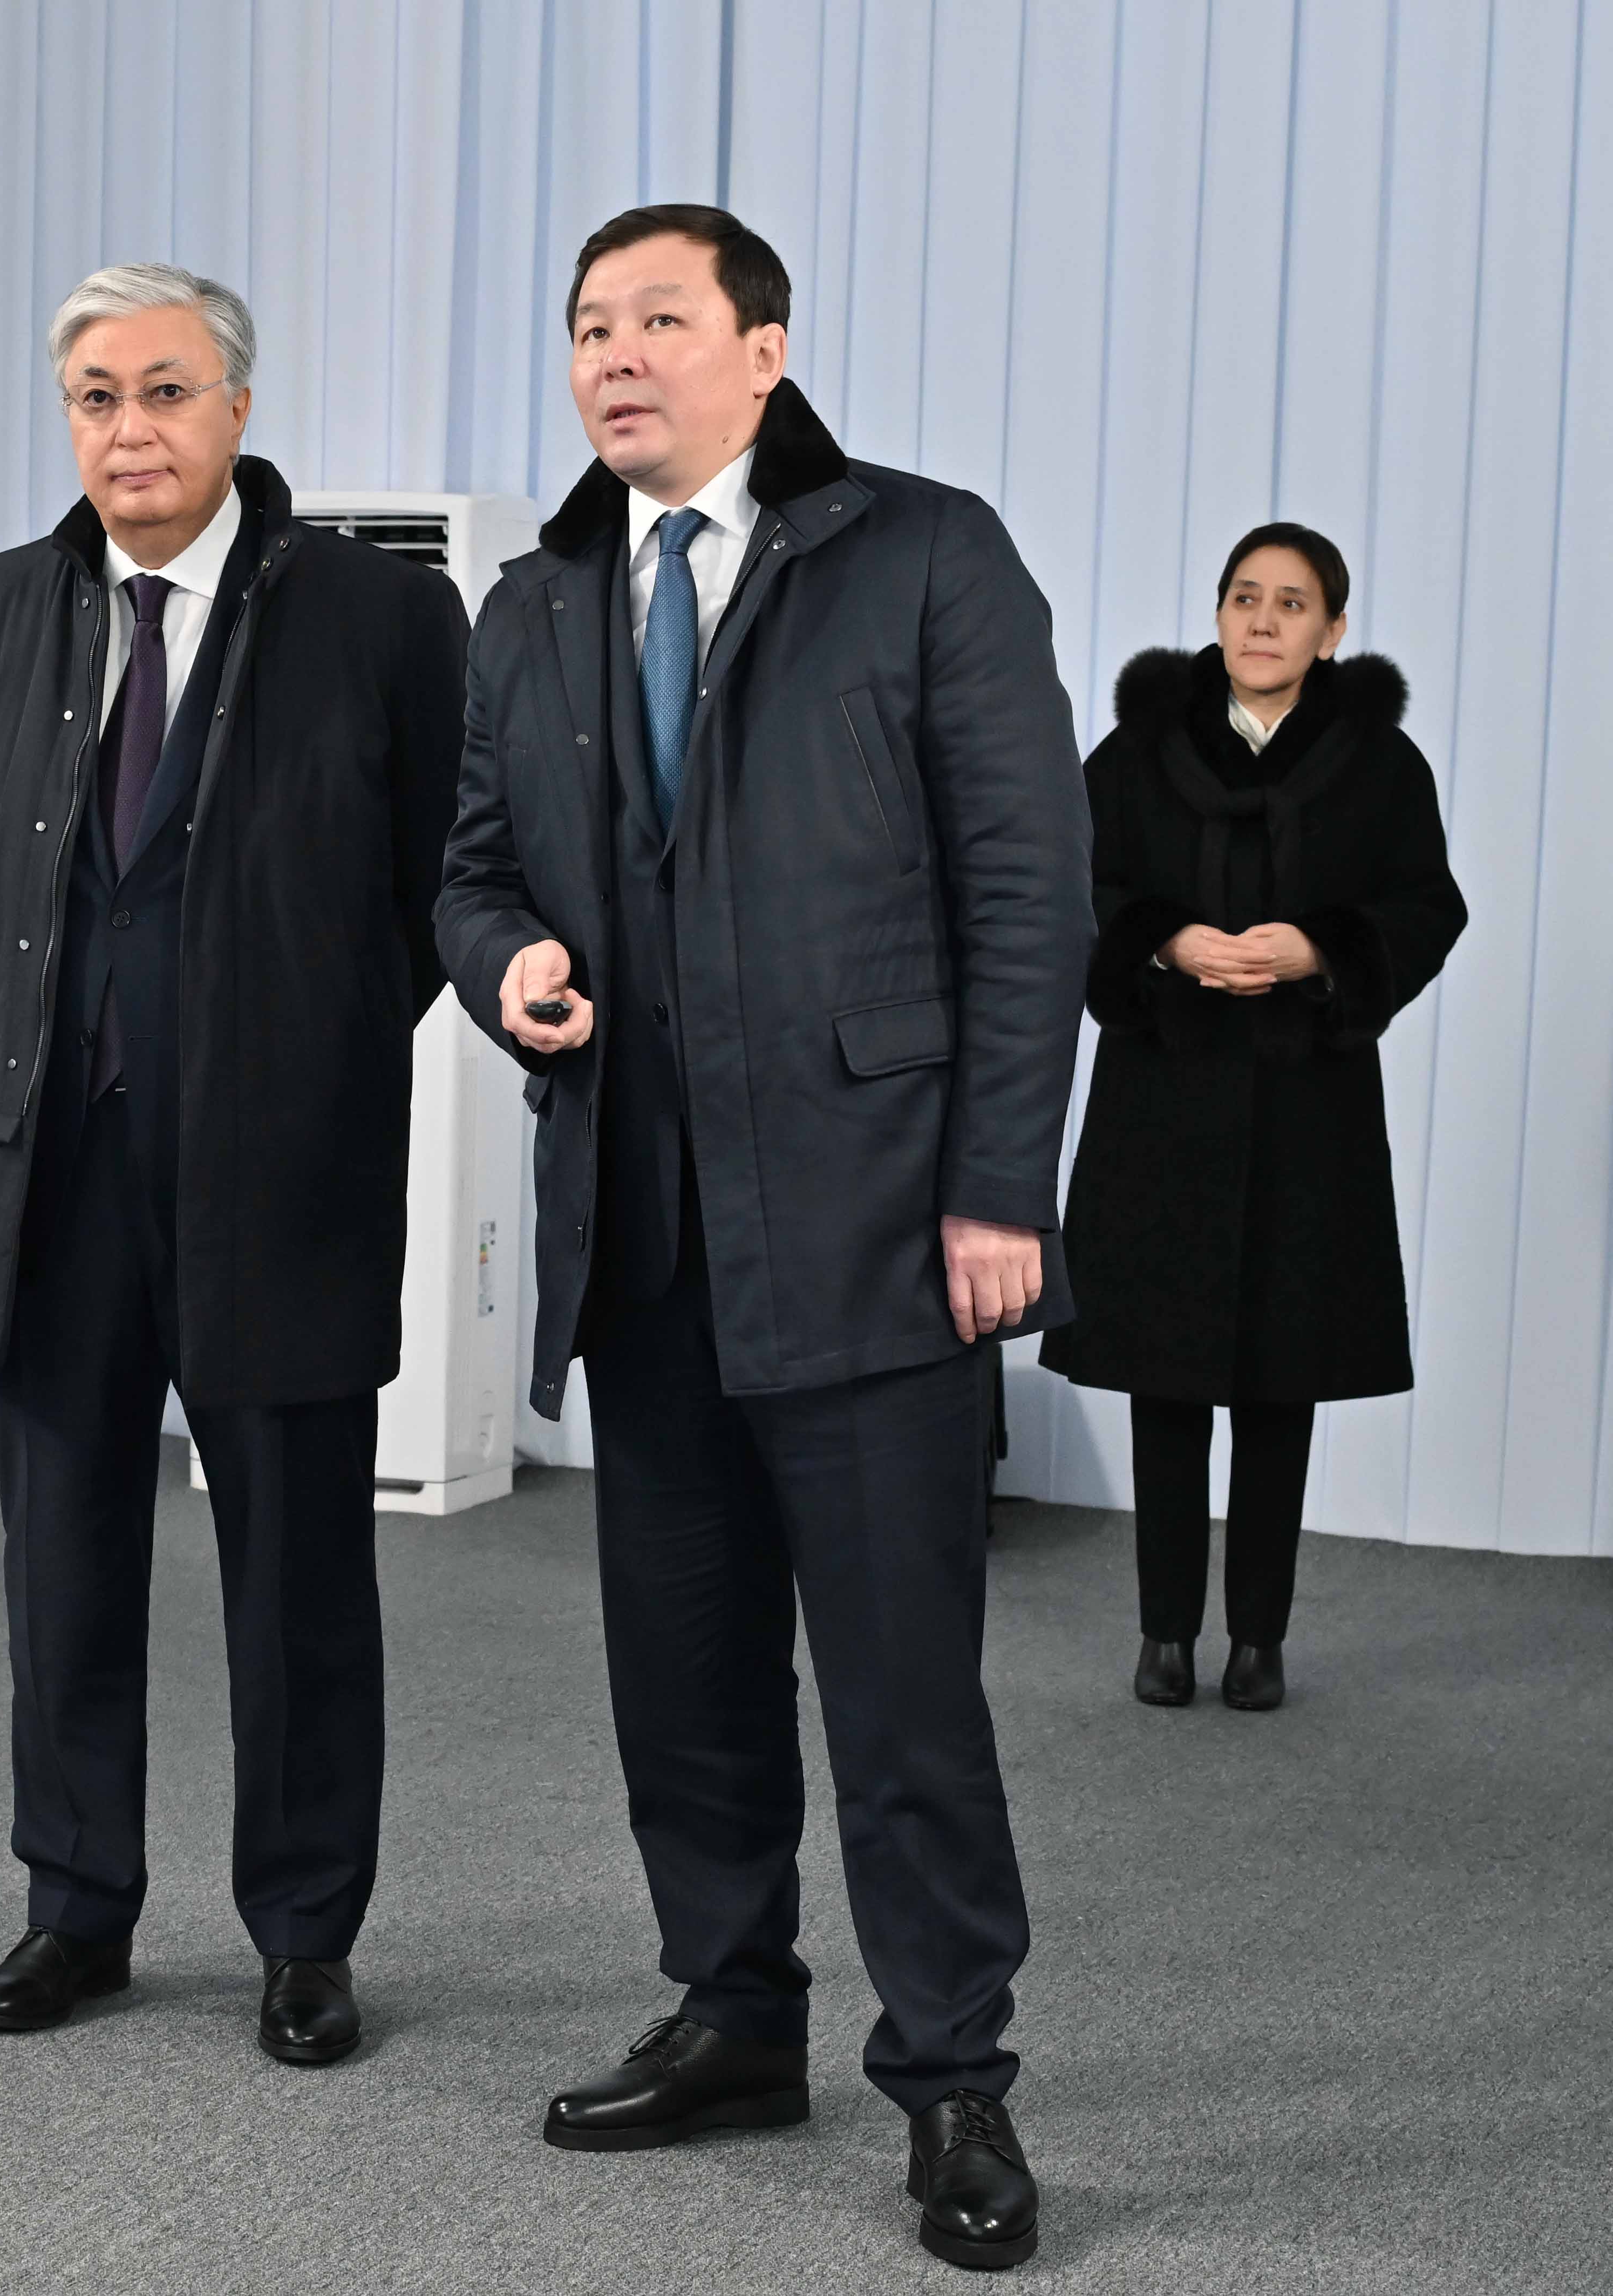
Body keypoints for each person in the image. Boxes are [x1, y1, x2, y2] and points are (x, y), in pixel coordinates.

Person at [435, 206, 1086, 2272]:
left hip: (876, 1225)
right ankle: (733, 2012)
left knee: (901, 1696)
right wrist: (508, 963)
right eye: (587, 328)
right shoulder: (534, 604)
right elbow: (467, 868)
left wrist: (1001, 1185)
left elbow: (1030, 887)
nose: (615, 356)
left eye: (660, 319)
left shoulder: (923, 555)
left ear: (766, 349)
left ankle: (955, 2076)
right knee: (688, 1678)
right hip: (644, 1241)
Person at [0, 264, 465, 2066]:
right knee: (61, 1560)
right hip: (52, 1162)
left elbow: (431, 886)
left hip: (275, 1170)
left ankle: (306, 1932)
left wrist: (297, 1046)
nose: (129, 429)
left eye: (164, 391)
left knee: (297, 1573)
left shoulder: (377, 613)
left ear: (237, 406)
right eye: (95, 396)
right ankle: (75, 1901)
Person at [1038, 527, 1465, 1715]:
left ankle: (1259, 1639)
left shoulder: (1379, 764)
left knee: (1284, 1377)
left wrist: (1320, 950)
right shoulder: (1139, 748)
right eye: (1243, 598)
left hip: (1305, 1102)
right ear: (1218, 614)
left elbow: (1427, 903)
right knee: (1164, 1375)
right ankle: (1165, 1632)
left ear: (1332, 631)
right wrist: (1164, 942)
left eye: (1290, 603)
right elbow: (1074, 879)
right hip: (1162, 1097)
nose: (1262, 621)